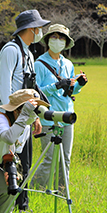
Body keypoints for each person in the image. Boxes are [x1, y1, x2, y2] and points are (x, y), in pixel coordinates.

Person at [0, 9, 50, 211]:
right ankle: (8, 208)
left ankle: (22, 207)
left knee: (25, 163)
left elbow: (32, 89)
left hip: (25, 115)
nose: (41, 31)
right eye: (39, 28)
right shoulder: (11, 50)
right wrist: (9, 116)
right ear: (31, 29)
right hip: (12, 116)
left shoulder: (29, 53)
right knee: (10, 163)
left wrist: (34, 117)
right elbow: (3, 86)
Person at [32, 24, 86, 189]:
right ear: (48, 40)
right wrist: (56, 85)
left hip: (67, 115)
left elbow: (69, 91)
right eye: (54, 37)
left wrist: (80, 85)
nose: (58, 41)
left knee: (66, 157)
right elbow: (36, 92)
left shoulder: (68, 64)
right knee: (49, 158)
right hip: (49, 116)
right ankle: (34, 188)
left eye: (61, 38)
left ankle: (62, 190)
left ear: (66, 42)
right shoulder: (39, 64)